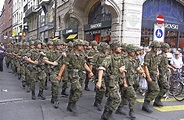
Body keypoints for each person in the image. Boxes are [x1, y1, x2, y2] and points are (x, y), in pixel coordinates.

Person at [57, 39, 93, 113]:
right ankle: (73, 103)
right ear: (76, 46)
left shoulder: (82, 54)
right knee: (79, 89)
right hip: (72, 74)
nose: (82, 47)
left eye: (82, 45)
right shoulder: (71, 54)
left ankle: (70, 105)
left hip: (80, 74)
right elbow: (64, 65)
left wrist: (90, 71)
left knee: (73, 90)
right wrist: (60, 75)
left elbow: (84, 64)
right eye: (80, 45)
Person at [96, 40, 128, 120]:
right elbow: (101, 68)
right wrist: (99, 81)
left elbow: (123, 69)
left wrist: (124, 82)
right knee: (117, 99)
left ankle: (105, 114)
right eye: (118, 47)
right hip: (110, 82)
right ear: (114, 48)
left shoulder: (120, 58)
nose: (120, 48)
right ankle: (109, 113)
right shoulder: (109, 58)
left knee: (111, 98)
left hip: (117, 81)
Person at [142, 41, 160, 113]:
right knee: (156, 90)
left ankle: (145, 105)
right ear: (153, 47)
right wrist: (148, 77)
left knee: (150, 90)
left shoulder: (155, 55)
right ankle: (146, 103)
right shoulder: (148, 55)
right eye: (156, 47)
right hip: (150, 74)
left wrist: (157, 71)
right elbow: (145, 66)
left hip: (154, 74)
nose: (157, 49)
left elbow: (156, 65)